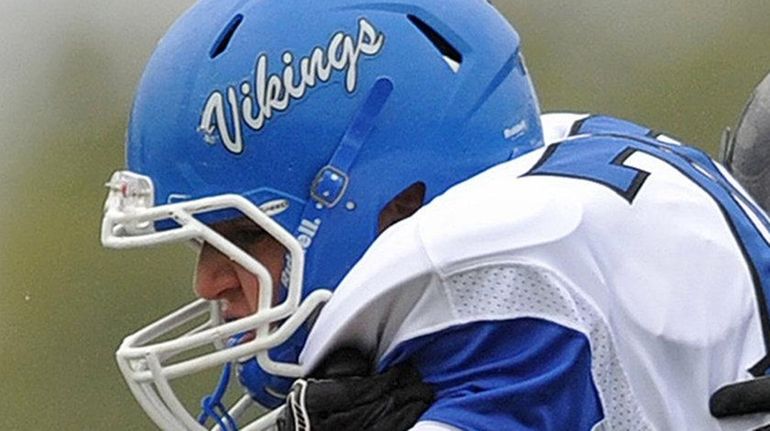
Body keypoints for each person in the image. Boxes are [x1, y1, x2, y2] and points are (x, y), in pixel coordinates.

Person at [100, 0, 770, 429]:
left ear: (399, 202)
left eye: (244, 234)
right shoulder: (543, 186)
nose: (208, 283)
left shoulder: (495, 278)